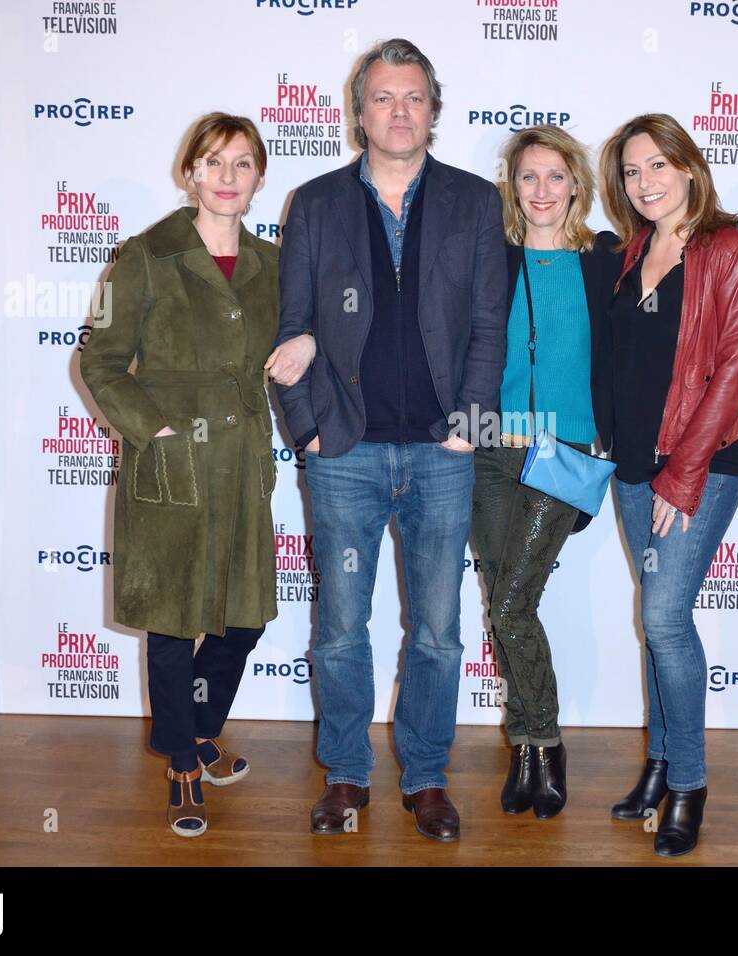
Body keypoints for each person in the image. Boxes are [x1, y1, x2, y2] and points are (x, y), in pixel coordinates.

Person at [273, 38, 507, 842]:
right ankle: (345, 775)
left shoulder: (477, 203)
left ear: (433, 111)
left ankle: (428, 777)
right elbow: (291, 328)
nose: (398, 111)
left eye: (413, 97)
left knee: (438, 631)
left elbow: (487, 326)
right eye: (383, 97)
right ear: (358, 110)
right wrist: (305, 431)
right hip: (345, 453)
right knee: (340, 628)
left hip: (444, 455)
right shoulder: (314, 203)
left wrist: (471, 425)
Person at [80, 112, 281, 837]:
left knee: (245, 615)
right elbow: (99, 361)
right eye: (215, 163)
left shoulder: (270, 265)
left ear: (260, 178)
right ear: (189, 172)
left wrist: (312, 340)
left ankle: (195, 728)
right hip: (171, 468)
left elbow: (293, 342)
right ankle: (182, 766)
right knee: (171, 621)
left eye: (243, 164)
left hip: (242, 468)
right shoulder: (146, 255)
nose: (228, 177)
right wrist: (154, 431)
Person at [597, 113, 738, 857]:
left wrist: (683, 475)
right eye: (632, 172)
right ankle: (661, 764)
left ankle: (690, 783)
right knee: (656, 624)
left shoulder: (730, 250)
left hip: (698, 464)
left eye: (657, 165)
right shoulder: (636, 249)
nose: (645, 182)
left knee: (665, 621)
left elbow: (731, 372)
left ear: (689, 167)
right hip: (633, 462)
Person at [471, 124, 620, 819]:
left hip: (565, 455)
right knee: (508, 601)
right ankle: (526, 748)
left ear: (576, 186)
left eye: (555, 176)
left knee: (508, 605)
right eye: (528, 177)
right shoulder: (493, 259)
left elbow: (632, 357)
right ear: (513, 185)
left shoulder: (606, 260)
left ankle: (546, 743)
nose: (541, 190)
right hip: (493, 450)